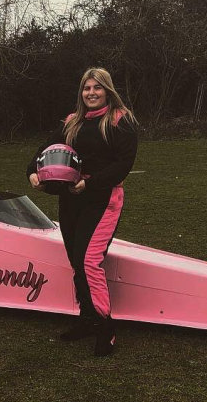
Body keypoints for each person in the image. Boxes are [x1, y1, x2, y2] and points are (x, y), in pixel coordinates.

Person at [27, 67, 139, 357]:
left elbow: (123, 165)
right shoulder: (72, 121)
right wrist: (32, 172)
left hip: (103, 200)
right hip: (71, 200)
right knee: (77, 262)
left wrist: (89, 183)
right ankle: (87, 319)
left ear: (107, 90)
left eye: (97, 87)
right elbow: (44, 149)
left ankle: (105, 327)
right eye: (87, 88)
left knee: (89, 262)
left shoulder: (120, 120)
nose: (91, 93)